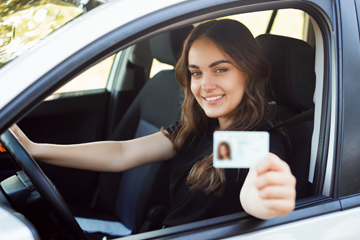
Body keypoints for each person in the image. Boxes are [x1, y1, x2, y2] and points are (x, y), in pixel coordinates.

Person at [0, 19, 296, 227]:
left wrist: (267, 200)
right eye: (196, 73)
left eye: (220, 70)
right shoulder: (203, 129)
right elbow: (122, 154)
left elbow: (256, 191)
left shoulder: (256, 140)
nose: (205, 85)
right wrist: (33, 149)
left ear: (249, 71)